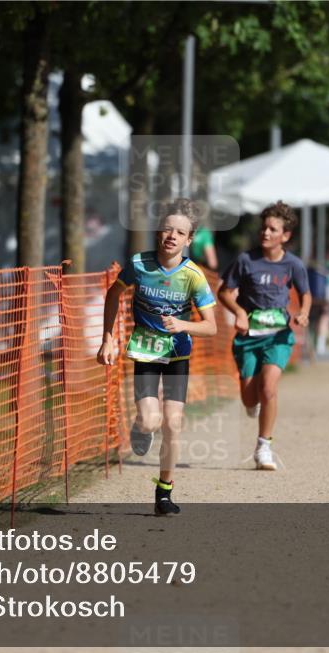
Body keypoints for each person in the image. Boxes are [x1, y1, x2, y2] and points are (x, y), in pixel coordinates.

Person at [97, 198, 218, 515]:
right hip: (146, 354)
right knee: (151, 421)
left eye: (180, 232)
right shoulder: (139, 265)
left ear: (189, 239)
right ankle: (140, 427)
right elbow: (114, 293)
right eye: (167, 229)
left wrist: (182, 324)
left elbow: (211, 327)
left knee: (173, 424)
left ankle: (164, 492)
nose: (172, 236)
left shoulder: (194, 275)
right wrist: (108, 338)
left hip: (178, 356)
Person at [218, 201, 312, 471]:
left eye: (273, 229)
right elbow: (224, 292)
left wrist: (303, 313)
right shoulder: (246, 260)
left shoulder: (293, 264)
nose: (266, 233)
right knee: (250, 398)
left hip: (278, 336)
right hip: (249, 336)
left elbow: (305, 293)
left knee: (269, 388)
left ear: (285, 235)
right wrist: (239, 312)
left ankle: (263, 447)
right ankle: (254, 403)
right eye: (264, 228)